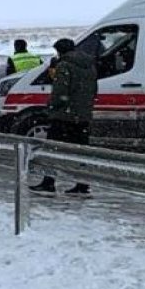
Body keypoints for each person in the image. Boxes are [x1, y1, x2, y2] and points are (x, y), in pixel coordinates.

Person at [30, 38, 98, 196]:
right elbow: (94, 90)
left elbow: (60, 92)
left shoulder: (64, 65)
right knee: (81, 151)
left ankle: (49, 182)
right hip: (83, 115)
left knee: (52, 149)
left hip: (64, 116)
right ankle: (82, 184)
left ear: (60, 50)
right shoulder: (90, 65)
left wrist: (51, 106)